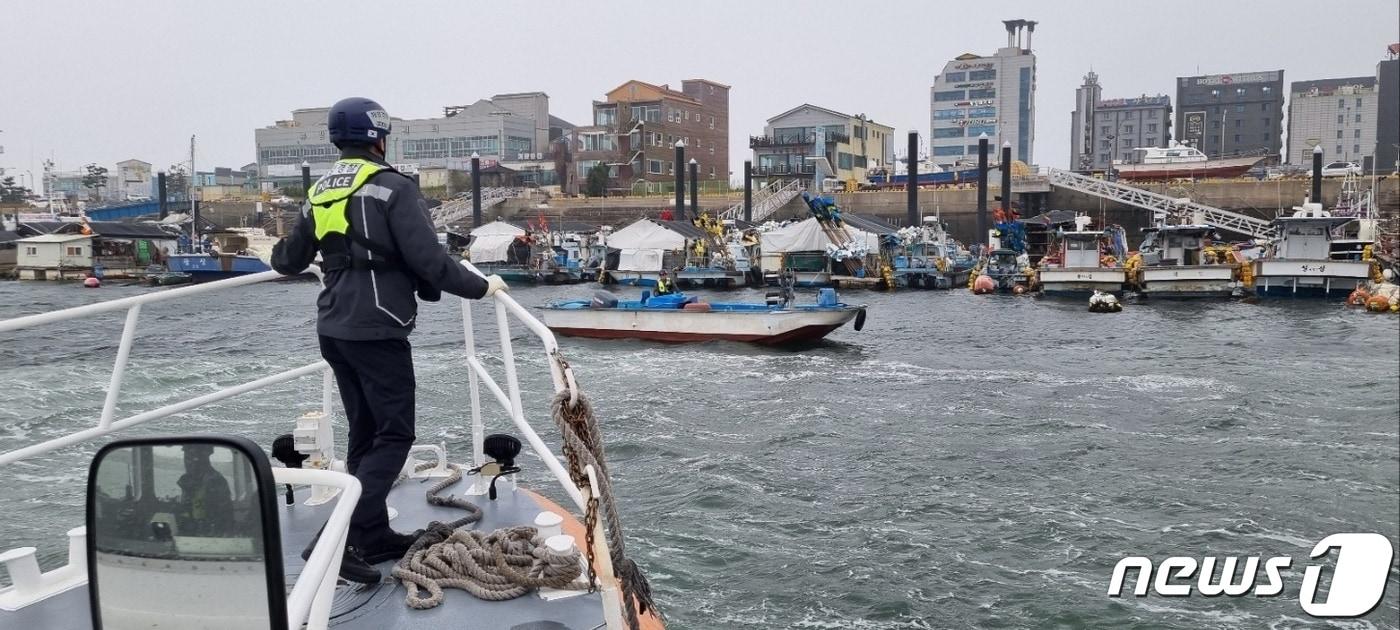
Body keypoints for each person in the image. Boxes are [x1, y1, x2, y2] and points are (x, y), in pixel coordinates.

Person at [269, 97, 508, 583]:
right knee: (395, 434)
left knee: (365, 432)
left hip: (333, 327)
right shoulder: (392, 187)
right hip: (377, 328)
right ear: (380, 136)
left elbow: (287, 260)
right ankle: (333, 541)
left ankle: (373, 534)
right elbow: (431, 263)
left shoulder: (320, 191)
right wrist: (484, 286)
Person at [176, 444, 233, 537]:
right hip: (187, 536)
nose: (189, 462)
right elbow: (185, 511)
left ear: (204, 458)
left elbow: (225, 518)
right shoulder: (187, 481)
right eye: (187, 457)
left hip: (209, 538)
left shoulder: (216, 482)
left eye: (194, 456)